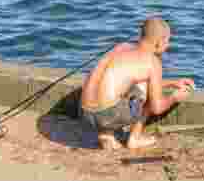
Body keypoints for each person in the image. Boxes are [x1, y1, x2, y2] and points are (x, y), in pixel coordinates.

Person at [80, 17, 195, 150]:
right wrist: (174, 97)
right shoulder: (152, 62)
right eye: (168, 41)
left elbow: (117, 80)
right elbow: (157, 107)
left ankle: (106, 135)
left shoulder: (121, 47)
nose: (168, 45)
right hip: (107, 115)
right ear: (159, 43)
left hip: (85, 114)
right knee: (144, 91)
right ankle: (135, 138)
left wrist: (172, 82)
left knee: (128, 86)